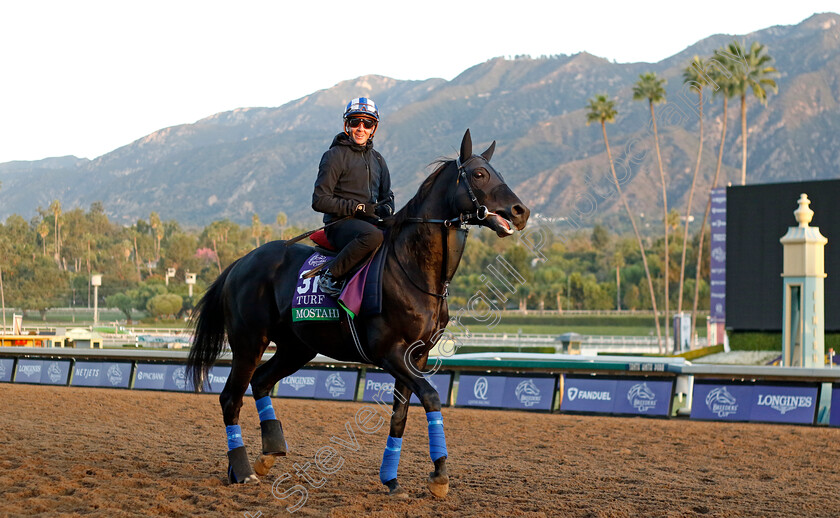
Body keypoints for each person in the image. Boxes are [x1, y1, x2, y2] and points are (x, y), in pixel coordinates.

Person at [312, 97, 395, 297]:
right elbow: (319, 200)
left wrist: (385, 210)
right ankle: (331, 275)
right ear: (346, 125)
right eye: (354, 122)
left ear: (373, 128)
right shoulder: (334, 155)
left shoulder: (378, 159)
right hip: (339, 224)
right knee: (372, 236)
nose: (360, 128)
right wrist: (357, 208)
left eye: (367, 123)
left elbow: (388, 196)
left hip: (368, 222)